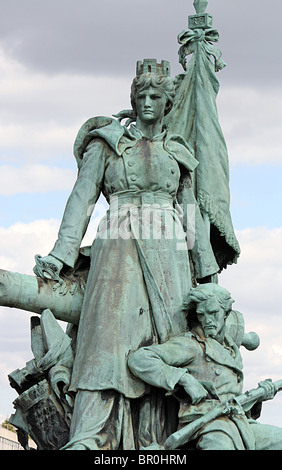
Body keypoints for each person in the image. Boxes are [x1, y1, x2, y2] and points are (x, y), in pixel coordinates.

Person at [33, 59, 219, 450]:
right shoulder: (107, 143)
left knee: (166, 339)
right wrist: (61, 254)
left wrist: (205, 272)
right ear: (132, 100)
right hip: (119, 247)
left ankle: (162, 438)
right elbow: (81, 199)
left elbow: (191, 214)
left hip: (171, 255)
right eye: (141, 96)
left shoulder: (177, 151)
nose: (147, 102)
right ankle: (94, 435)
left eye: (155, 96)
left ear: (168, 102)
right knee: (108, 338)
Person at [128, 283, 282, 450]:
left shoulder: (231, 350)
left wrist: (259, 397)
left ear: (226, 313)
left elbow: (231, 398)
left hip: (239, 422)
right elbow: (140, 359)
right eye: (202, 314)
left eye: (214, 313)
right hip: (208, 425)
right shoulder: (192, 345)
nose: (208, 320)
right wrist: (184, 379)